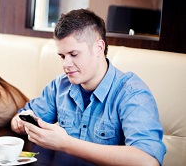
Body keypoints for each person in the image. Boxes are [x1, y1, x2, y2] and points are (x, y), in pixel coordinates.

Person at [11, 9, 166, 165]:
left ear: (98, 47)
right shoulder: (60, 86)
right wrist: (20, 123)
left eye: (74, 54)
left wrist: (66, 144)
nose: (66, 64)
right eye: (62, 56)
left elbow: (147, 161)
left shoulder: (132, 93)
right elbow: (20, 117)